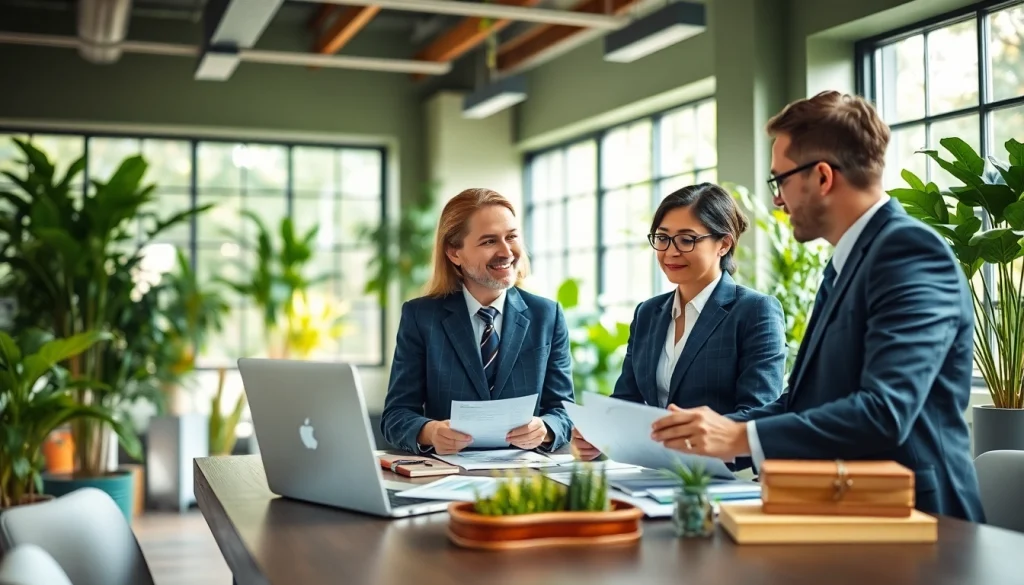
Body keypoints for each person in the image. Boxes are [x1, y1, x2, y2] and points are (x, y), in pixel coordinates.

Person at [647, 90, 985, 522]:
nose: (777, 200)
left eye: (780, 180)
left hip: (921, 522)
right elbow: (802, 402)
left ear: (822, 177)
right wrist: (707, 432)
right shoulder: (845, 262)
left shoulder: (908, 252)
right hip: (849, 513)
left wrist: (739, 435)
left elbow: (884, 411)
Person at [572, 183, 787, 463]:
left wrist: (687, 441)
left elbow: (757, 412)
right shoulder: (648, 313)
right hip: (651, 471)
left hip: (721, 475)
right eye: (662, 238)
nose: (670, 251)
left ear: (724, 244)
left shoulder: (755, 311)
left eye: (687, 240)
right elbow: (628, 400)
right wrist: (599, 432)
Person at [380, 188, 575, 455]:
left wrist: (546, 427)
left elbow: (563, 410)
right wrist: (431, 432)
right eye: (488, 241)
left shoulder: (546, 316)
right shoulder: (421, 317)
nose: (506, 252)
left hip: (526, 477)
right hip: (447, 474)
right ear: (454, 253)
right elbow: (396, 415)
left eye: (511, 237)